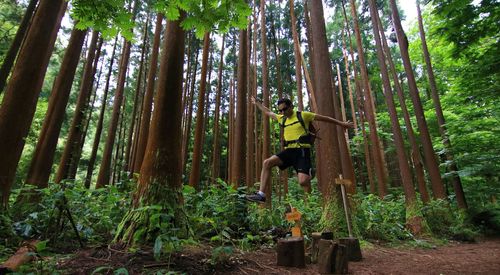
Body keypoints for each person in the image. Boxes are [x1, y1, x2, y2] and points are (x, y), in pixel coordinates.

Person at [246, 96, 353, 203]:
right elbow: (269, 112)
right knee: (267, 163)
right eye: (280, 110)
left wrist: (342, 123)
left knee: (303, 182)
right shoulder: (281, 118)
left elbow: (325, 118)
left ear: (291, 106)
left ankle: (310, 181)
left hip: (302, 151)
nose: (282, 112)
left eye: (285, 109)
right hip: (289, 151)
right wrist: (257, 104)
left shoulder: (303, 115)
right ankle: (261, 195)